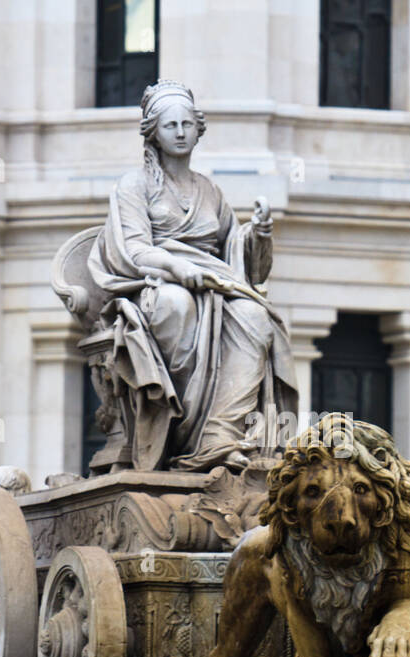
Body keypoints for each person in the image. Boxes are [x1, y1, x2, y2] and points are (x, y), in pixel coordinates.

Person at [87, 79, 299, 471]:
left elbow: (238, 257)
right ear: (154, 133)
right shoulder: (133, 186)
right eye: (171, 126)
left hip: (214, 285)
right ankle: (179, 431)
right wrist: (177, 268)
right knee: (175, 304)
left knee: (256, 318)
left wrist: (259, 234)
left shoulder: (209, 191)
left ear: (198, 129)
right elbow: (133, 251)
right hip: (154, 286)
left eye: (187, 124)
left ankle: (218, 436)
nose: (181, 132)